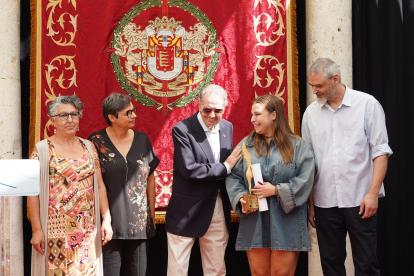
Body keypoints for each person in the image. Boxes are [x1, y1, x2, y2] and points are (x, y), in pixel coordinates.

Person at [302, 58, 393, 275]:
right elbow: (310, 162)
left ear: (335, 79)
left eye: (319, 86)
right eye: (311, 86)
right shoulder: (310, 114)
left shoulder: (367, 104)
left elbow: (380, 152)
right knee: (330, 265)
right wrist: (312, 205)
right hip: (325, 202)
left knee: (366, 264)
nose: (315, 91)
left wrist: (372, 194)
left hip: (360, 198)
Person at [226, 94, 315, 276]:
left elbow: (306, 179)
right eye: (252, 115)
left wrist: (275, 190)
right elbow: (233, 177)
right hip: (256, 219)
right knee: (259, 273)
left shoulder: (298, 146)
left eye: (257, 114)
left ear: (273, 115)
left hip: (286, 220)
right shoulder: (246, 145)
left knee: (280, 274)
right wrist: (241, 197)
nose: (253, 119)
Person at [28, 95, 112, 276]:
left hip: (87, 231)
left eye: (74, 115)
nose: (70, 120)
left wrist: (106, 219)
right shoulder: (42, 150)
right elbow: (32, 193)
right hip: (55, 230)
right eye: (63, 115)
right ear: (53, 120)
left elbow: (99, 186)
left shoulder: (89, 147)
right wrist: (36, 230)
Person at [165, 84, 242, 276]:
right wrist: (226, 166)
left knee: (216, 269)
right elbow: (190, 169)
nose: (212, 115)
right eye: (207, 109)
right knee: (177, 270)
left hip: (217, 207)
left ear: (225, 108)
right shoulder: (182, 129)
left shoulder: (227, 127)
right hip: (186, 210)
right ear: (198, 105)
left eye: (218, 110)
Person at [88, 93, 160, 276]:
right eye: (128, 113)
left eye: (133, 111)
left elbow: (150, 177)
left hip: (139, 224)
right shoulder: (96, 142)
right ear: (112, 117)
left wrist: (151, 213)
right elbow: (93, 183)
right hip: (108, 224)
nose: (134, 115)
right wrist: (104, 219)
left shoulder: (142, 139)